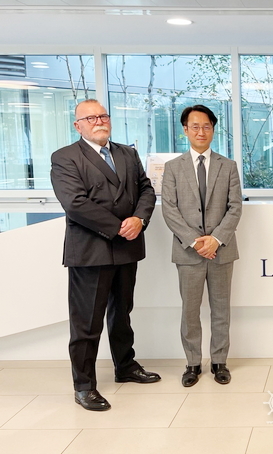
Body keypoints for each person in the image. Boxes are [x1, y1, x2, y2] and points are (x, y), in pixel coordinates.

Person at [51, 99, 160, 412]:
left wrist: (139, 219)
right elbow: (75, 203)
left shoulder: (127, 153)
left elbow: (146, 190)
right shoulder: (65, 157)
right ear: (78, 125)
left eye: (103, 115)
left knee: (122, 313)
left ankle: (125, 366)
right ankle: (84, 386)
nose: (99, 121)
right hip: (91, 251)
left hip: (127, 248)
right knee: (86, 323)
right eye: (91, 118)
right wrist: (118, 227)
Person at [161, 105, 242, 387]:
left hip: (221, 250)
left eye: (206, 126)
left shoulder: (228, 166)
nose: (201, 131)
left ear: (213, 130)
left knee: (221, 310)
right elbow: (169, 209)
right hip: (188, 252)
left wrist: (215, 239)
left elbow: (235, 207)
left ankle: (219, 362)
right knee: (190, 311)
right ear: (185, 130)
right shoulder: (173, 168)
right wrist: (196, 242)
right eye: (195, 126)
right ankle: (193, 363)